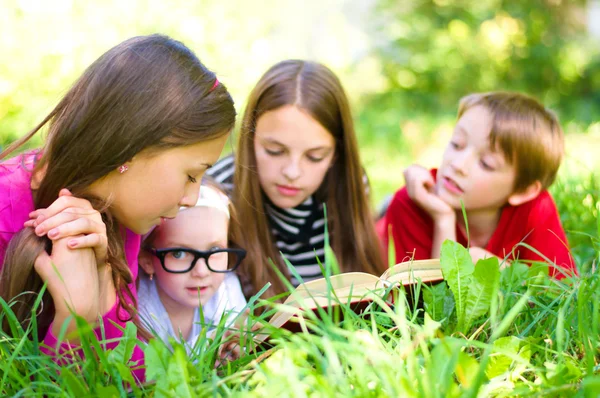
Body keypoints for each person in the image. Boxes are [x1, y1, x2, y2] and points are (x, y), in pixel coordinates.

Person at [0, 34, 236, 380]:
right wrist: (75, 316)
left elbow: (125, 379)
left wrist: (94, 305)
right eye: (190, 175)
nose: (190, 199)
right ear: (131, 150)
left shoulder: (123, 216)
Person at [207, 60, 385, 300]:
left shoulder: (348, 183)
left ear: (336, 153)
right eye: (274, 151)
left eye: (315, 156)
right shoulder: (218, 193)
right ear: (250, 139)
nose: (292, 172)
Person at [378, 92, 575, 278]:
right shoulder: (412, 201)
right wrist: (443, 220)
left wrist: (496, 267)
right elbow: (424, 305)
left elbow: (561, 291)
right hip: (381, 233)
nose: (457, 165)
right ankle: (381, 213)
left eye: (486, 163)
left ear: (523, 190)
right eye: (457, 144)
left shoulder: (536, 208)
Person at [137, 180, 247, 353]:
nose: (202, 272)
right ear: (147, 261)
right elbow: (143, 375)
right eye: (179, 253)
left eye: (215, 250)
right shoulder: (140, 308)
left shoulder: (226, 291)